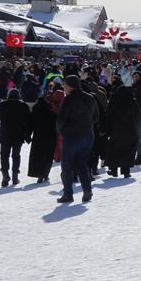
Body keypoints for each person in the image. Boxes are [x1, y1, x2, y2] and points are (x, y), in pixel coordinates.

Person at [55, 75, 98, 204]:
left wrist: (60, 131)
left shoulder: (68, 100)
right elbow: (96, 117)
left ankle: (68, 194)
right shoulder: (90, 98)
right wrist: (87, 125)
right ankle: (87, 190)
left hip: (71, 137)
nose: (64, 87)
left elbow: (61, 119)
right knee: (82, 165)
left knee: (67, 167)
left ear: (69, 85)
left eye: (65, 85)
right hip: (88, 136)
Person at [0, 88, 31, 187]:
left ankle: (5, 175)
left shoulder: (2, 105)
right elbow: (29, 122)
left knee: (4, 155)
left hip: (5, 134)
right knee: (16, 155)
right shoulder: (23, 106)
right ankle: (15, 176)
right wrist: (27, 135)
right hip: (19, 134)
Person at [104, 81, 140, 178]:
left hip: (116, 129)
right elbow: (137, 115)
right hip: (130, 129)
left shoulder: (114, 100)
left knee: (114, 149)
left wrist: (107, 128)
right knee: (128, 149)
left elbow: (108, 115)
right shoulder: (133, 101)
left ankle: (113, 169)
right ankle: (126, 171)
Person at [26, 91, 60, 183]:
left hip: (38, 138)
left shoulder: (34, 114)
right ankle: (45, 173)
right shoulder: (52, 114)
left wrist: (27, 136)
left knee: (37, 156)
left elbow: (29, 126)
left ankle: (39, 173)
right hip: (50, 138)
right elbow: (58, 126)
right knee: (48, 156)